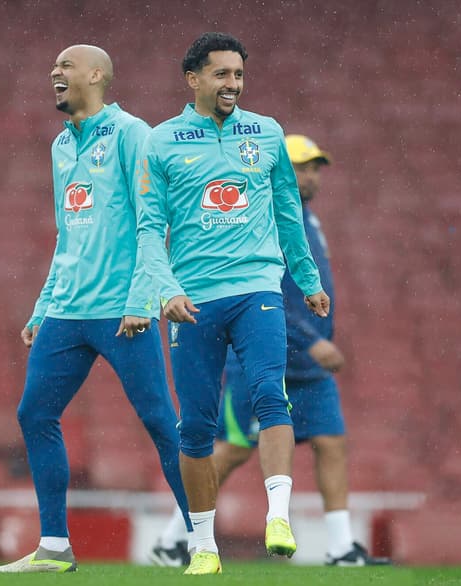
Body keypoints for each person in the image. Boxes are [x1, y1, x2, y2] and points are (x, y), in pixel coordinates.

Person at [134, 32, 330, 575]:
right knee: (194, 427)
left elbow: (288, 211)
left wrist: (307, 278)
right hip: (193, 302)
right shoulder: (162, 141)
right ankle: (202, 546)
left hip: (258, 289)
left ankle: (279, 515)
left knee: (271, 391)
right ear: (193, 79)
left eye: (239, 75)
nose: (233, 85)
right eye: (222, 74)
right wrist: (165, 290)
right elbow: (148, 228)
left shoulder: (265, 133)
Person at [0, 44, 190, 574]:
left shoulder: (132, 134)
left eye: (65, 66)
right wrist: (42, 307)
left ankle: (202, 536)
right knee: (35, 413)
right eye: (53, 65)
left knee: (160, 422)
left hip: (121, 310)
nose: (53, 72)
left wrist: (142, 298)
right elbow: (67, 235)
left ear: (96, 75)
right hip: (67, 310)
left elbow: (155, 221)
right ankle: (54, 545)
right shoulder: (60, 146)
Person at [152, 135, 391, 567]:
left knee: (332, 443)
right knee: (231, 449)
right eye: (302, 167)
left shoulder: (307, 220)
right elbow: (263, 294)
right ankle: (174, 536)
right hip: (260, 356)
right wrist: (311, 339)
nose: (311, 176)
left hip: (308, 366)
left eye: (315, 168)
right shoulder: (264, 218)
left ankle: (341, 547)